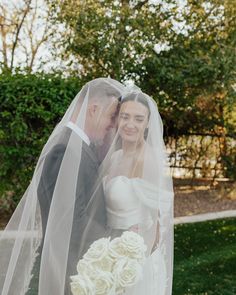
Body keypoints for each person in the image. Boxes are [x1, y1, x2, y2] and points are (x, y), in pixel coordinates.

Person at [0, 78, 125, 295]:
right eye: (111, 115)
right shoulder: (65, 152)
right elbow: (72, 222)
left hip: (78, 266)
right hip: (68, 272)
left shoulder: (79, 148)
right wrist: (121, 238)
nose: (112, 124)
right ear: (94, 109)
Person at [76, 88, 174, 294]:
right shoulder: (115, 157)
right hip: (108, 250)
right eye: (125, 117)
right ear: (117, 119)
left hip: (136, 259)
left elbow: (155, 225)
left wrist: (130, 263)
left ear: (147, 123)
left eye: (139, 119)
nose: (130, 125)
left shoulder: (148, 160)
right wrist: (106, 257)